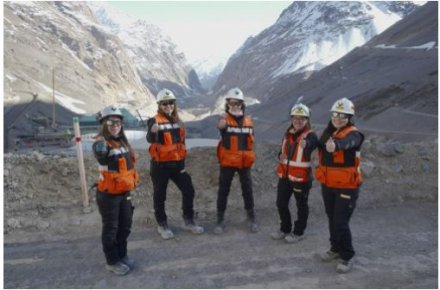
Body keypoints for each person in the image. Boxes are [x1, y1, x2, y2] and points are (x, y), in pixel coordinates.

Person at [147, 88, 204, 240]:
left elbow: (182, 144)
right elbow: (150, 139)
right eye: (164, 104)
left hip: (178, 165)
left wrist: (183, 163)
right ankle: (162, 224)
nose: (168, 106)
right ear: (159, 105)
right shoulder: (154, 121)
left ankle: (188, 220)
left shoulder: (179, 122)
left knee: (188, 190)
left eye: (171, 103)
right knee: (160, 196)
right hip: (160, 166)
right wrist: (153, 131)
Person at [315, 98, 364, 274]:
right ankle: (335, 248)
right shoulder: (328, 132)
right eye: (336, 114)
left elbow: (348, 143)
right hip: (328, 184)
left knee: (340, 222)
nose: (338, 118)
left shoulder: (355, 134)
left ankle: (348, 255)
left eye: (344, 115)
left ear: (350, 117)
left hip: (347, 187)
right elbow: (319, 146)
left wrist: (336, 145)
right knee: (332, 218)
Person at [92, 105, 139, 276]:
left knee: (125, 226)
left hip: (124, 192)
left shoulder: (122, 142)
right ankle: (112, 261)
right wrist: (101, 145)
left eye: (118, 122)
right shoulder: (101, 143)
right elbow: (101, 154)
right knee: (111, 228)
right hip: (108, 195)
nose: (115, 125)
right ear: (104, 124)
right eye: (110, 122)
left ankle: (122, 255)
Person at [271, 103, 318, 243]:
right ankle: (285, 229)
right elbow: (283, 151)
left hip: (301, 178)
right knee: (281, 203)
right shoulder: (287, 134)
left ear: (307, 120)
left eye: (302, 119)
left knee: (301, 205)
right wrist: (280, 155)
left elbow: (313, 144)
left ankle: (298, 232)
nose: (298, 121)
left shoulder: (310, 135)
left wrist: (307, 144)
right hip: (285, 176)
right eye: (295, 118)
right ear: (291, 119)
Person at [214, 87, 258, 234]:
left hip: (244, 163)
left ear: (242, 104)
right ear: (227, 104)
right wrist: (221, 126)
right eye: (232, 103)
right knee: (223, 191)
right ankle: (220, 220)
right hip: (228, 163)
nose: (235, 106)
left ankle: (251, 218)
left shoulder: (249, 121)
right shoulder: (224, 120)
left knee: (248, 190)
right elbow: (220, 126)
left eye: (238, 103)